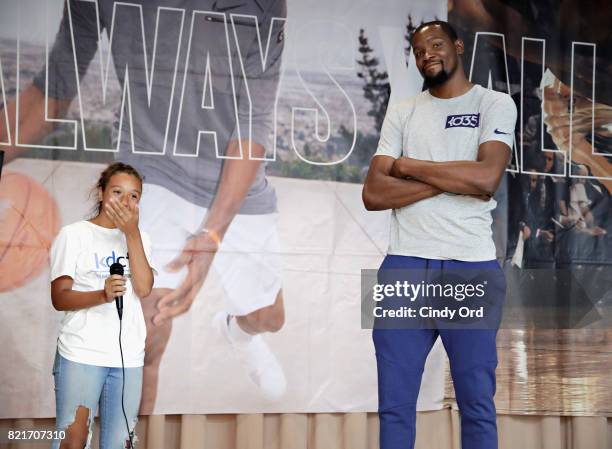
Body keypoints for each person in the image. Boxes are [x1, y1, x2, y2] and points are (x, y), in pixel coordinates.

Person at [1, 0, 287, 410]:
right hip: (154, 171)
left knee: (269, 318)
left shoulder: (265, 4)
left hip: (236, 175)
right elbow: (53, 93)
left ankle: (238, 331)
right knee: (145, 338)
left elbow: (252, 124)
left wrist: (212, 233)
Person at [362, 20, 517, 449]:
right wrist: (453, 180)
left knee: (476, 403)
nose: (426, 53)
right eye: (417, 49)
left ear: (458, 46)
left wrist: (408, 166)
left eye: (435, 44)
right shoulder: (404, 108)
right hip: (403, 267)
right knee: (394, 404)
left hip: (471, 268)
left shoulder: (495, 103)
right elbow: (374, 193)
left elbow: (487, 177)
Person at [49, 162, 154, 448]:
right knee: (73, 440)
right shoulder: (74, 235)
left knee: (120, 443)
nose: (125, 201)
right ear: (100, 193)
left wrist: (131, 234)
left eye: (134, 196)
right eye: (117, 192)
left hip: (127, 358)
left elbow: (144, 288)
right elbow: (59, 297)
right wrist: (102, 295)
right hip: (81, 352)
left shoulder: (140, 239)